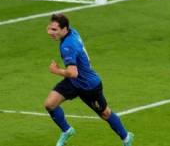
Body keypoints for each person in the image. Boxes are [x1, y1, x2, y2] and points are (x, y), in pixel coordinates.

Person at [44, 13, 134, 146]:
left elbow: (72, 73)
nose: (51, 32)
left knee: (105, 114)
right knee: (50, 104)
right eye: (50, 28)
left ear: (64, 29)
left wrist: (56, 70)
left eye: (55, 30)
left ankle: (126, 138)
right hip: (74, 82)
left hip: (88, 85)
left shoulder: (67, 45)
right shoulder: (72, 32)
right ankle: (67, 131)